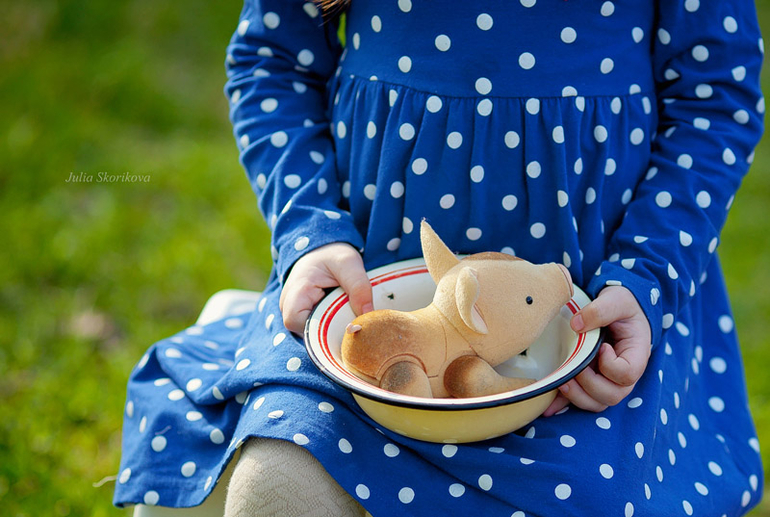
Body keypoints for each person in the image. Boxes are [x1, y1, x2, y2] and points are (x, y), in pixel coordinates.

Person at [114, 1, 765, 515]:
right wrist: (311, 231)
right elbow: (272, 60)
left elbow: (716, 97)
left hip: (593, 339)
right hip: (368, 316)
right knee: (274, 495)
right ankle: (244, 342)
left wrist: (647, 278)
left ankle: (231, 327)